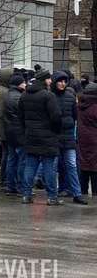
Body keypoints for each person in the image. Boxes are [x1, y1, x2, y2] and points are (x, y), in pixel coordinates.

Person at [19, 70, 62, 205]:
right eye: (49, 79)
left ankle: (26, 195)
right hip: (48, 136)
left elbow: (20, 116)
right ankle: (52, 197)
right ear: (45, 80)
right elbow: (56, 117)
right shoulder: (48, 96)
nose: (51, 81)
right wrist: (55, 131)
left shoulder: (25, 95)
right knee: (49, 167)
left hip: (30, 135)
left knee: (30, 166)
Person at [52, 72, 87, 204]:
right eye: (60, 81)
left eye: (64, 81)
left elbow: (75, 115)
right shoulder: (50, 97)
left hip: (68, 136)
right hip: (54, 136)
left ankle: (76, 193)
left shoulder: (70, 97)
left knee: (71, 165)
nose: (62, 84)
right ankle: (53, 193)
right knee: (53, 166)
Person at [2, 74, 26, 195]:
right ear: (19, 84)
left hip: (9, 132)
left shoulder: (7, 95)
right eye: (23, 83)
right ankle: (20, 186)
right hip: (19, 132)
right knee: (22, 160)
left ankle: (10, 184)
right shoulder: (19, 97)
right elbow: (23, 115)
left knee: (11, 159)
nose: (25, 85)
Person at [77, 83, 97, 196]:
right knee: (94, 166)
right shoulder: (95, 107)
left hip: (82, 139)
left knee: (84, 164)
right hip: (94, 139)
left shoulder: (80, 105)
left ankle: (83, 190)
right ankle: (95, 192)